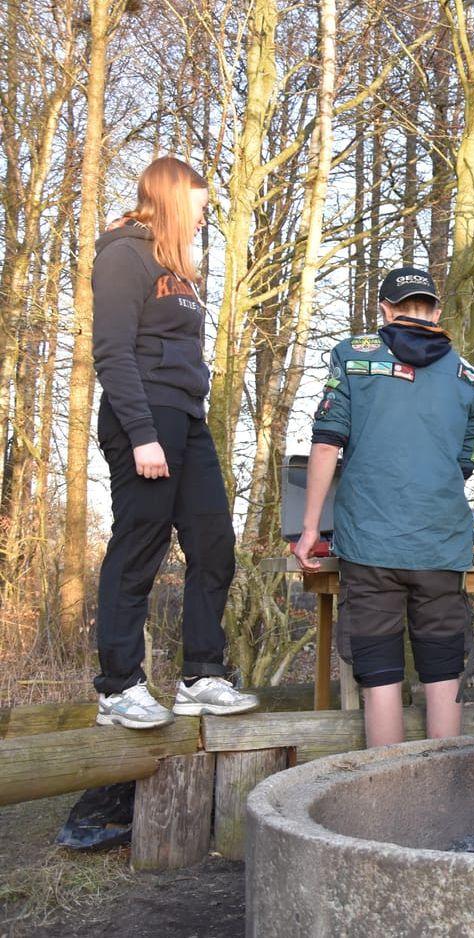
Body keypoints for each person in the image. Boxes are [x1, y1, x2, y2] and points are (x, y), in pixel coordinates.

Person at [91, 156, 258, 728]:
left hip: (186, 416)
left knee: (214, 541)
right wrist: (141, 435)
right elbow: (112, 354)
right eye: (199, 208)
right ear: (170, 199)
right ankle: (118, 686)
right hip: (143, 416)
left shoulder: (179, 270)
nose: (204, 219)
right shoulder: (122, 255)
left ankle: (201, 675)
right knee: (140, 547)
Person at [293, 267, 474, 748]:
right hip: (442, 544)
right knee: (444, 670)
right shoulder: (467, 376)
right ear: (436, 313)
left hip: (371, 544)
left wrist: (310, 527)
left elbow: (325, 444)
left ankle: (384, 797)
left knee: (379, 674)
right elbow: (465, 460)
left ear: (384, 310)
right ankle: (446, 787)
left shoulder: (352, 358)